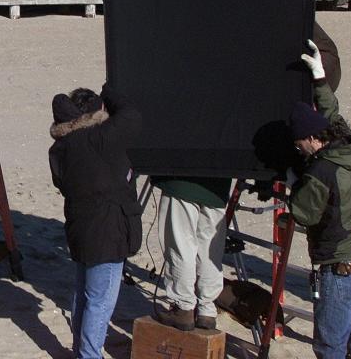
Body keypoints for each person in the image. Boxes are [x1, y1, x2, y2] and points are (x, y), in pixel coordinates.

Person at [287, 40, 351, 359]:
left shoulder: (322, 171)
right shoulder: (350, 148)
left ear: (313, 139)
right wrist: (319, 79)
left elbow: (303, 213)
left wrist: (293, 183)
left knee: (329, 343)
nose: (301, 151)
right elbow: (331, 115)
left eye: (301, 146)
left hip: (338, 266)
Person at [48, 83, 142, 359]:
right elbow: (132, 115)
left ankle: (82, 350)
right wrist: (111, 89)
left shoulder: (60, 148)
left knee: (84, 295)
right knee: (99, 301)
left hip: (80, 228)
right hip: (107, 231)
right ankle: (88, 355)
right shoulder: (101, 139)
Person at [150, 171, 232, 330]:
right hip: (218, 182)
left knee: (181, 245)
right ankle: (207, 309)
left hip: (183, 178)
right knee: (209, 249)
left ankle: (183, 307)